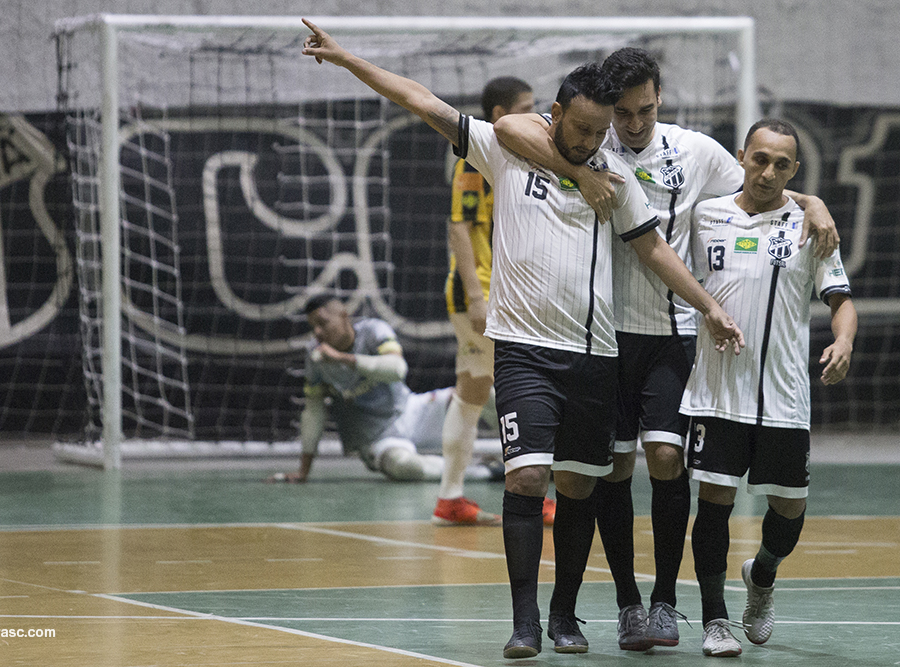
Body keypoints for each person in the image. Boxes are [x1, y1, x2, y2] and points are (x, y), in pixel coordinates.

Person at [299, 19, 744, 659]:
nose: (594, 142)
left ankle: (566, 615)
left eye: (602, 133)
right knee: (525, 478)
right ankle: (525, 622)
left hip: (596, 355)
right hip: (525, 352)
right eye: (584, 129)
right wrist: (347, 60)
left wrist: (707, 307)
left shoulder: (614, 178)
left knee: (579, 486)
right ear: (555, 114)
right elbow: (422, 100)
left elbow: (654, 250)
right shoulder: (508, 149)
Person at [492, 46, 841, 651]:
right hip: (602, 335)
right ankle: (628, 603)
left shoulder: (696, 151)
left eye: (644, 112)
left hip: (674, 331)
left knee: (665, 459)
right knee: (613, 468)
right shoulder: (586, 147)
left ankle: (664, 602)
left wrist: (814, 202)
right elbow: (513, 127)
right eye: (621, 113)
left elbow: (768, 187)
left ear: (660, 101)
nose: (631, 125)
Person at [681, 119, 856, 657]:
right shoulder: (704, 216)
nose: (768, 171)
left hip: (783, 394)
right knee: (714, 501)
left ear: (794, 171)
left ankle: (762, 576)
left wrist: (844, 340)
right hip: (717, 389)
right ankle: (714, 619)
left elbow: (841, 299)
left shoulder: (811, 224)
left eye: (782, 164)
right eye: (759, 159)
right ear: (742, 157)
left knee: (789, 508)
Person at [438, 76, 544, 526]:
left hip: (496, 293)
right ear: (499, 115)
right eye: (526, 107)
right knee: (524, 386)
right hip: (481, 295)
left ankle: (451, 498)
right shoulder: (473, 157)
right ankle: (524, 493)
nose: (536, 114)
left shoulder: (511, 154)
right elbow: (459, 226)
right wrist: (479, 297)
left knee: (473, 389)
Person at [267, 295, 503, 486]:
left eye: (323, 323)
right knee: (406, 467)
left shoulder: (372, 331)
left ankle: (518, 456)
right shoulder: (316, 358)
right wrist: (303, 471)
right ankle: (486, 471)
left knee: (483, 390)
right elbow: (313, 412)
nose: (317, 332)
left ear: (344, 316)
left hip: (411, 411)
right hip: (378, 440)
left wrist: (345, 359)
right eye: (313, 327)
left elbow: (397, 369)